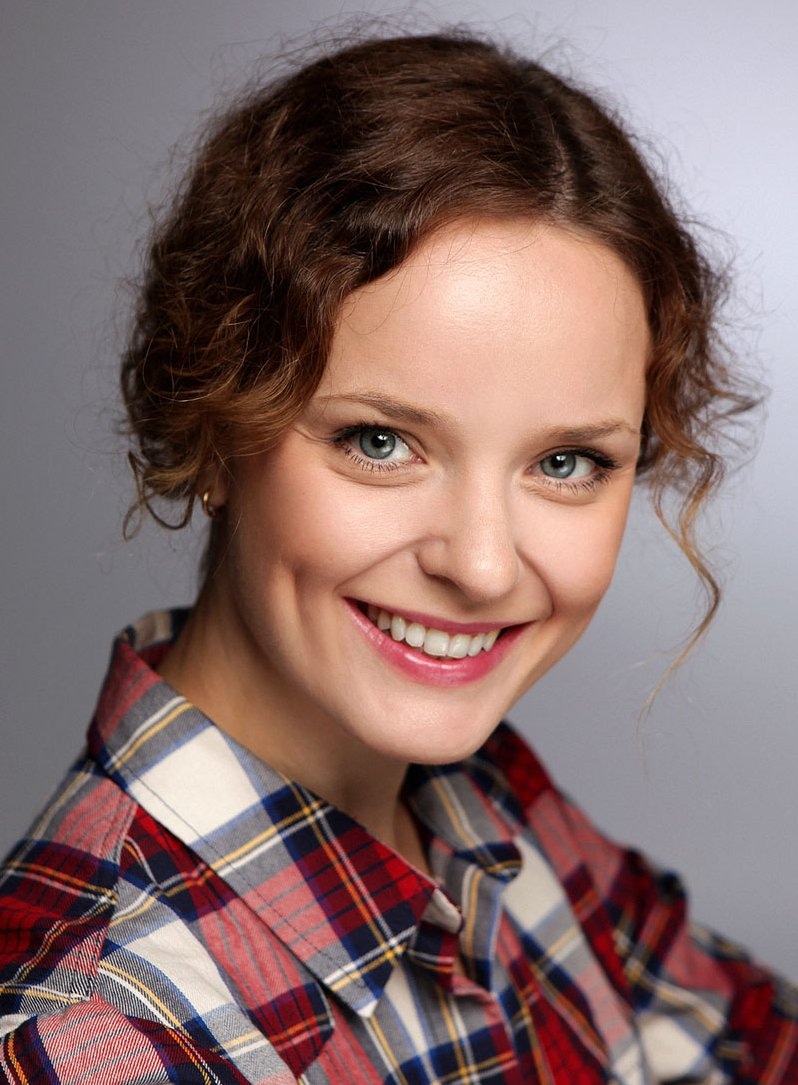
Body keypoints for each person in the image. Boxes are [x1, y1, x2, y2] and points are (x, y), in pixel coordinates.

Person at [0, 29, 795, 1084]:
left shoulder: (488, 807)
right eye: (380, 442)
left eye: (566, 461)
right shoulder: (97, 1037)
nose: (482, 564)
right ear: (216, 430)